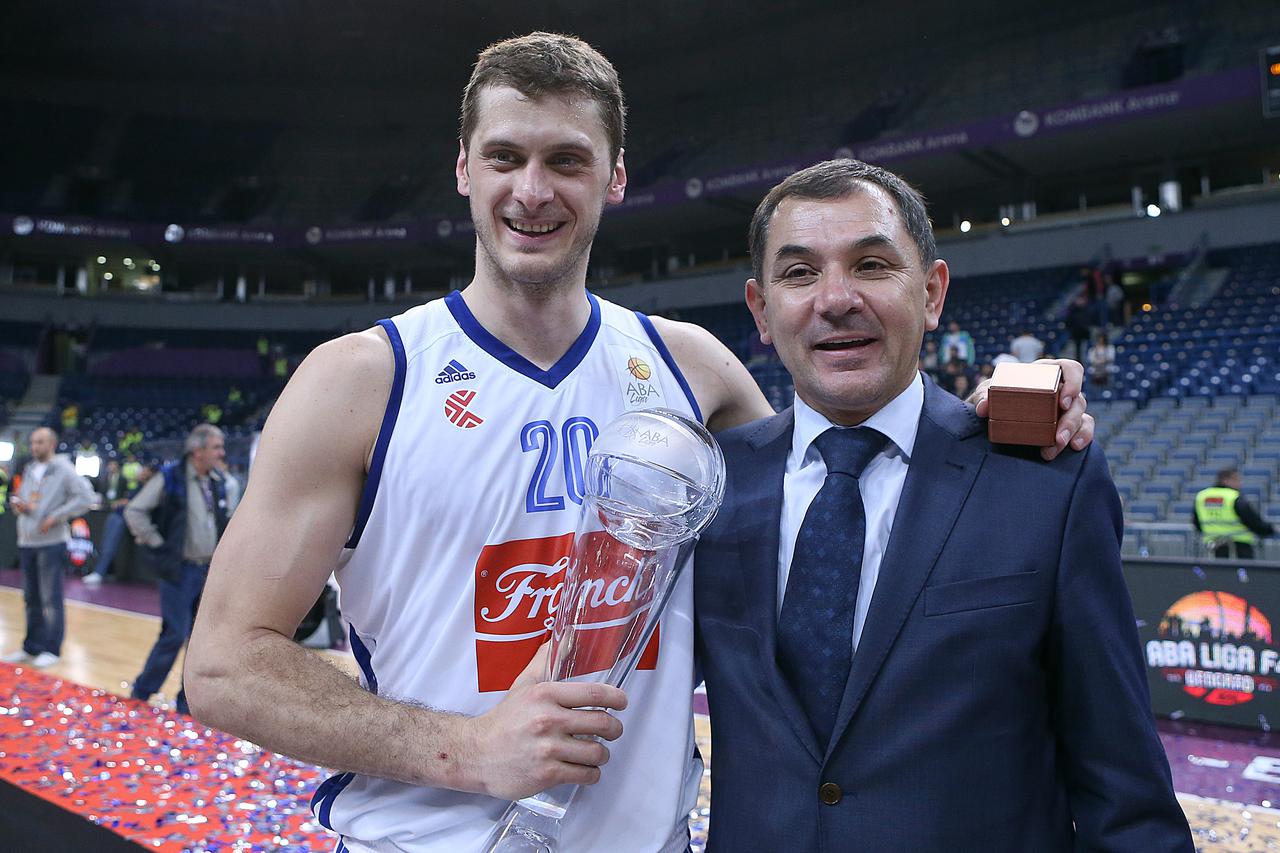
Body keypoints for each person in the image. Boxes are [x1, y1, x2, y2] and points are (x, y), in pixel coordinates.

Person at [182, 34, 1095, 853]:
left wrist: (1001, 410)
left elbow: (849, 470)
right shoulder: (362, 380)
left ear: (615, 176)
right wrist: (469, 749)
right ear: (463, 168)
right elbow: (222, 667)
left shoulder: (695, 371)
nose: (532, 190)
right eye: (504, 157)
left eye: (567, 160)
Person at [694, 159, 1191, 851]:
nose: (835, 298)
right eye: (799, 273)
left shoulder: (1045, 477)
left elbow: (1125, 791)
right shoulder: (709, 485)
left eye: (871, 265)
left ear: (931, 293)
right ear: (761, 312)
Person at [125, 424, 230, 713]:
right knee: (174, 633)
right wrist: (158, 544)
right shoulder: (170, 477)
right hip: (179, 570)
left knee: (199, 640)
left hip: (208, 571)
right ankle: (142, 692)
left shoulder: (217, 481)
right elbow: (134, 511)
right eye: (216, 447)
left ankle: (187, 702)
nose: (222, 453)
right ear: (198, 451)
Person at [2, 427, 96, 668]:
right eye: (33, 442)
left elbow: (87, 498)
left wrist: (57, 516)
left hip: (51, 543)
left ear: (52, 444)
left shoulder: (64, 469)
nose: (35, 447)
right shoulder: (30, 469)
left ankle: (52, 649)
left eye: (40, 442)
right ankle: (31, 646)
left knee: (50, 599)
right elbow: (28, 498)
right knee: (30, 598)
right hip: (27, 541)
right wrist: (21, 505)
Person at [84, 460, 153, 586]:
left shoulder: (149, 488)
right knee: (105, 542)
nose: (141, 473)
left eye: (144, 470)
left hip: (129, 518)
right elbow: (129, 498)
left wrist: (126, 502)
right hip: (118, 514)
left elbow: (137, 503)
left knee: (110, 543)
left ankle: (99, 572)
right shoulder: (138, 485)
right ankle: (102, 570)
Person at [1194, 467, 1275, 559]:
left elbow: (1196, 522)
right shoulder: (1233, 497)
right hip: (1239, 547)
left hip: (1213, 546)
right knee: (1241, 568)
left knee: (1217, 568)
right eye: (1236, 480)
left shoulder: (1201, 496)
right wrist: (1269, 530)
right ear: (1225, 480)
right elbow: (1252, 520)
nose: (1240, 483)